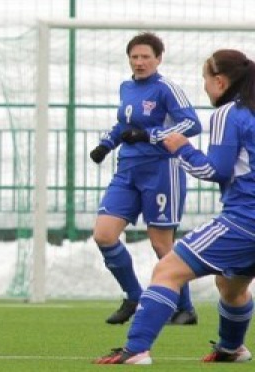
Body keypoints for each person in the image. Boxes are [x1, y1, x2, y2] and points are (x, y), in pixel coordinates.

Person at [95, 48, 255, 365]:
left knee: (167, 270)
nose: (205, 88)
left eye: (206, 81)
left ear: (220, 81)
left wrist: (183, 149)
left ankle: (136, 349)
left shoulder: (228, 113)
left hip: (244, 221)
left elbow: (214, 171)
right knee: (231, 284)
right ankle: (231, 347)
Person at [89, 32, 202, 325]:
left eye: (145, 57)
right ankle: (134, 295)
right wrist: (106, 144)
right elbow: (123, 124)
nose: (139, 62)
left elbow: (191, 123)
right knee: (103, 234)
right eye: (135, 57)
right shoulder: (126, 87)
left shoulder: (166, 89)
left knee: (161, 244)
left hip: (161, 171)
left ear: (158, 59)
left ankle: (184, 308)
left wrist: (149, 135)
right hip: (127, 171)